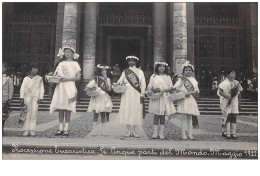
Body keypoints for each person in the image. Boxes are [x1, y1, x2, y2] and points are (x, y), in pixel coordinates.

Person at [50, 46, 81, 136]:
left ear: (72, 54)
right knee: (61, 108)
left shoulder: (75, 64)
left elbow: (78, 77)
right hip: (61, 87)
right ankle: (60, 128)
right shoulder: (61, 63)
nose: (66, 53)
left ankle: (66, 128)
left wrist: (67, 79)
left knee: (68, 108)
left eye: (68, 52)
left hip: (70, 86)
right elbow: (56, 74)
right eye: (65, 52)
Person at [114, 55, 146, 138]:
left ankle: (134, 130)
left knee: (136, 110)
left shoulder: (140, 72)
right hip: (127, 93)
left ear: (135, 62)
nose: (131, 62)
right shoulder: (125, 71)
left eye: (132, 61)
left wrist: (142, 94)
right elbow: (120, 80)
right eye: (129, 61)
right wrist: (116, 84)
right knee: (127, 110)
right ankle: (128, 130)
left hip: (136, 92)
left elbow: (143, 84)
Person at [146, 61, 176, 140]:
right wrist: (152, 90)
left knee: (162, 115)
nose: (161, 68)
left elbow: (171, 87)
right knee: (156, 115)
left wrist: (163, 90)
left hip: (164, 98)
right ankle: (155, 132)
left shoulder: (168, 77)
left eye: (163, 66)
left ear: (165, 68)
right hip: (156, 97)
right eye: (160, 66)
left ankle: (161, 133)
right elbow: (149, 87)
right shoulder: (154, 76)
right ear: (157, 68)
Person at [172, 61, 200, 140]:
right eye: (186, 70)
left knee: (190, 117)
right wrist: (182, 92)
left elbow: (197, 90)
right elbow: (175, 88)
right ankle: (183, 134)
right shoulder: (181, 80)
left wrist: (191, 92)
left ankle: (190, 134)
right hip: (183, 99)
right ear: (183, 72)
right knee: (183, 118)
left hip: (190, 99)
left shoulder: (194, 80)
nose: (188, 71)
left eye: (190, 70)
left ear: (192, 72)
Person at [86, 64, 113, 136]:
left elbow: (109, 89)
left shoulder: (108, 79)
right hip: (97, 98)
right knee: (95, 114)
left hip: (104, 98)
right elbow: (88, 87)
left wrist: (105, 79)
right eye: (102, 70)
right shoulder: (96, 78)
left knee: (103, 114)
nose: (104, 71)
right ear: (99, 71)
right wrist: (91, 91)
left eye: (105, 70)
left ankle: (104, 131)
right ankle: (94, 131)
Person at [217, 68, 243, 139]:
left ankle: (233, 132)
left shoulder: (237, 83)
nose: (234, 74)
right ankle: (227, 132)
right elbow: (220, 92)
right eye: (232, 73)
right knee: (228, 116)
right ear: (227, 74)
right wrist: (227, 96)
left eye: (234, 73)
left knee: (234, 116)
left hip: (234, 101)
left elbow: (239, 93)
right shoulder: (224, 83)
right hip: (226, 101)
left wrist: (239, 103)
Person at [20, 65, 44, 137]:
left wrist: (41, 97)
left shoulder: (39, 78)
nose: (35, 70)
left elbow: (41, 88)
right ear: (30, 69)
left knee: (34, 112)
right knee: (27, 112)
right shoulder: (26, 78)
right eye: (33, 68)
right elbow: (22, 88)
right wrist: (21, 97)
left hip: (35, 97)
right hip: (27, 97)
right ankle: (26, 130)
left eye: (36, 68)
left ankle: (32, 129)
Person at [2, 62, 14, 135]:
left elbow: (11, 89)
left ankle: (1, 129)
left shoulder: (8, 78)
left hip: (4, 99)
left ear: (5, 69)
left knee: (3, 115)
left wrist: (9, 99)